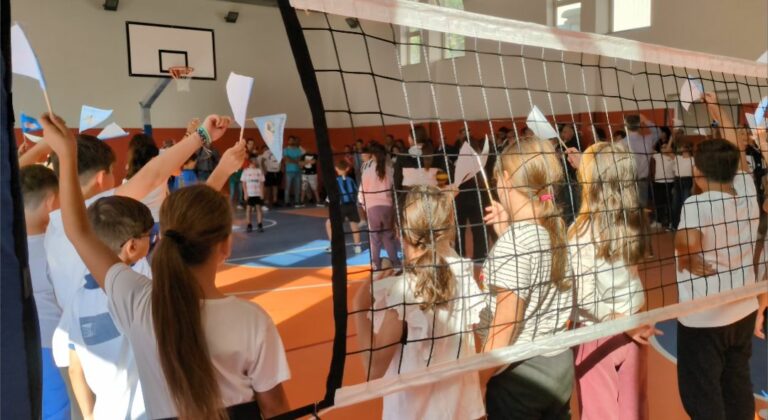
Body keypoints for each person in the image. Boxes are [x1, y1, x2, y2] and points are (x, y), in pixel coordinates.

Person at [41, 113, 291, 420]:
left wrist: (65, 154)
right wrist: (215, 157)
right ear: (225, 246)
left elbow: (77, 230)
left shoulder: (137, 301)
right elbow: (275, 407)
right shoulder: (252, 320)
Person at [351, 185, 485, 420]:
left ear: (401, 230)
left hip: (414, 413)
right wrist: (440, 203)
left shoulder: (403, 292)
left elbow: (373, 370)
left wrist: (359, 308)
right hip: (463, 410)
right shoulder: (462, 271)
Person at [672, 93, 762, 420]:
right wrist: (716, 109)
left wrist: (686, 255)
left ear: (696, 170)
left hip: (704, 317)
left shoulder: (697, 204)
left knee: (702, 396)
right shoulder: (747, 191)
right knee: (737, 383)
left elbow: (687, 243)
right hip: (742, 308)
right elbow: (736, 147)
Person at [481, 138, 574, 419]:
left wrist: (476, 379)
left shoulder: (517, 243)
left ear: (506, 180)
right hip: (558, 363)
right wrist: (507, 231)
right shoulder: (552, 229)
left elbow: (505, 327)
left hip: (520, 374)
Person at [568, 142, 659, 420]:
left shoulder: (580, 231)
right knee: (634, 410)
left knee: (600, 414)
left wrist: (621, 321)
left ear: (590, 180)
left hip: (598, 332)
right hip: (634, 327)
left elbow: (584, 298)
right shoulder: (634, 221)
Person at [54, 196, 154, 420]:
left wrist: (89, 415)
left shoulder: (78, 300)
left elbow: (74, 367)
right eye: (150, 235)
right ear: (132, 246)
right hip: (149, 411)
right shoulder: (141, 292)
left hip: (106, 413)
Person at [20, 165, 71, 420]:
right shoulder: (57, 246)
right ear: (51, 201)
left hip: (16, 344)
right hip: (51, 345)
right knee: (57, 409)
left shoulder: (9, 247)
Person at [359, 143, 401, 271]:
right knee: (388, 236)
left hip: (372, 207)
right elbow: (394, 188)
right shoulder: (390, 169)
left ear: (372, 155)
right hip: (388, 206)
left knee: (375, 238)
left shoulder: (367, 170)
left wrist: (365, 206)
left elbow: (361, 192)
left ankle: (376, 264)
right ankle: (396, 263)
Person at [326, 160, 362, 254]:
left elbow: (331, 196)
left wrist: (327, 202)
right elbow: (356, 192)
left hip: (340, 207)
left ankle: (334, 246)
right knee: (354, 226)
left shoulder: (335, 181)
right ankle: (358, 246)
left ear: (336, 169)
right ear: (347, 168)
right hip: (352, 206)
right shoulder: (351, 180)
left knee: (329, 224)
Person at [624, 114, 660, 208]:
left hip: (626, 181)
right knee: (642, 209)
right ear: (640, 125)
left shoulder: (621, 143)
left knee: (628, 209)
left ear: (625, 126)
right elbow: (658, 132)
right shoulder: (647, 140)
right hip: (642, 181)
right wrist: (646, 120)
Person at [650, 140, 677, 229]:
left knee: (669, 204)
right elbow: (649, 149)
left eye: (666, 147)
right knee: (658, 203)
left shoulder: (674, 158)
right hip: (658, 183)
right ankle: (658, 221)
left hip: (669, 183)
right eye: (662, 147)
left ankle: (670, 222)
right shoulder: (657, 156)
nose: (663, 149)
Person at [672, 142, 694, 228]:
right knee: (675, 205)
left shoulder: (692, 159)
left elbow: (694, 174)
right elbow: (667, 150)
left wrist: (693, 186)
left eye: (684, 147)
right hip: (677, 181)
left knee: (686, 204)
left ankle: (687, 225)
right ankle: (675, 226)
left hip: (687, 181)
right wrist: (671, 139)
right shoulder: (678, 157)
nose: (682, 148)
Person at [241, 156, 266, 233]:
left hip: (257, 193)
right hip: (250, 193)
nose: (255, 162)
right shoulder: (245, 171)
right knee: (249, 209)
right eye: (253, 161)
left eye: (256, 161)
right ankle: (249, 225)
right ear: (250, 162)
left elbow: (262, 183)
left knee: (259, 208)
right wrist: (245, 193)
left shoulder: (259, 171)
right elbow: (244, 183)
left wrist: (262, 192)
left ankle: (260, 224)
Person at [283, 136, 304, 207]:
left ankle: (297, 201)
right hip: (289, 171)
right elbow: (286, 158)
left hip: (298, 171)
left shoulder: (298, 150)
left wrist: (291, 160)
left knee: (297, 187)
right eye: (290, 140)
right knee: (287, 187)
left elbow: (298, 159)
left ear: (294, 141)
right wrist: (295, 161)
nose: (291, 142)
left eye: (293, 140)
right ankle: (287, 201)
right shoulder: (285, 150)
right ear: (288, 141)